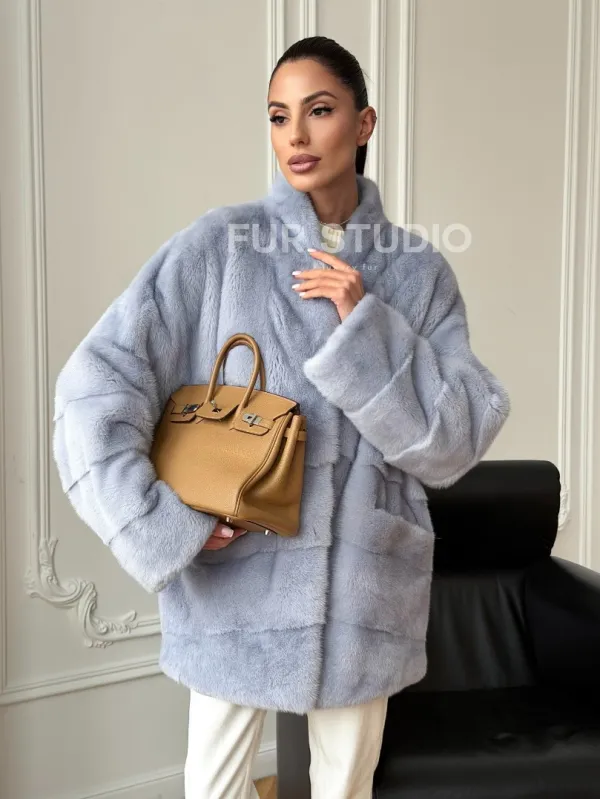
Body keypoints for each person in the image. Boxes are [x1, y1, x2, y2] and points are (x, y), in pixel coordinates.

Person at [52, 35, 510, 799]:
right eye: (277, 115)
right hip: (232, 582)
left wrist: (365, 324)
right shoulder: (219, 248)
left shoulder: (418, 272)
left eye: (319, 110)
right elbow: (93, 386)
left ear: (363, 124)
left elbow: (457, 438)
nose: (295, 134)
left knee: (346, 787)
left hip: (368, 585)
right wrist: (162, 520)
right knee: (213, 785)